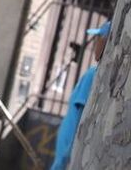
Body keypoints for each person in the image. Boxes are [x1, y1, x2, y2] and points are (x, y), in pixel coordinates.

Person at [50, 21, 110, 170]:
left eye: (98, 39)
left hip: (67, 157)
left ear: (105, 42)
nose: (95, 43)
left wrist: (62, 161)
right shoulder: (98, 73)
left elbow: (78, 119)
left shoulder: (92, 75)